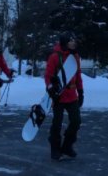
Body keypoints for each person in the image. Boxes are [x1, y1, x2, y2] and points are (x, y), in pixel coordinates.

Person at [44, 32, 84, 161]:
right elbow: (48, 76)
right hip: (59, 96)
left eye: (74, 41)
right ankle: (55, 148)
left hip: (72, 96)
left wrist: (81, 91)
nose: (74, 43)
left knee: (76, 121)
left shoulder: (75, 56)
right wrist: (51, 90)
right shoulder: (55, 57)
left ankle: (67, 146)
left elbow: (77, 75)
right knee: (57, 123)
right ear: (65, 43)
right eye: (71, 41)